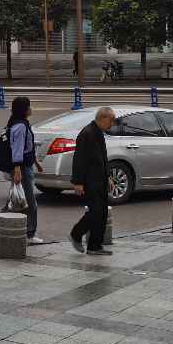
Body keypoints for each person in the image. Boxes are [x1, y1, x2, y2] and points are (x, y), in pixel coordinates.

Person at [70, 107, 115, 255]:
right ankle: (76, 234)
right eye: (111, 120)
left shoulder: (98, 133)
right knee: (95, 212)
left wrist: (108, 177)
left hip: (100, 180)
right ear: (103, 118)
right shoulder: (87, 133)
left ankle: (95, 246)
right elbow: (79, 160)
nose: (112, 124)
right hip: (90, 181)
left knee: (102, 213)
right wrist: (78, 182)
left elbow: (102, 158)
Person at [1, 96, 44, 245]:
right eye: (29, 106)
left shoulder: (19, 123)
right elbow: (17, 149)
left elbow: (28, 147)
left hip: (25, 166)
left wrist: (36, 163)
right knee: (30, 202)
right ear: (24, 109)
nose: (31, 109)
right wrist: (17, 169)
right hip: (22, 168)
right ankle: (30, 234)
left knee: (15, 198)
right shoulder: (20, 126)